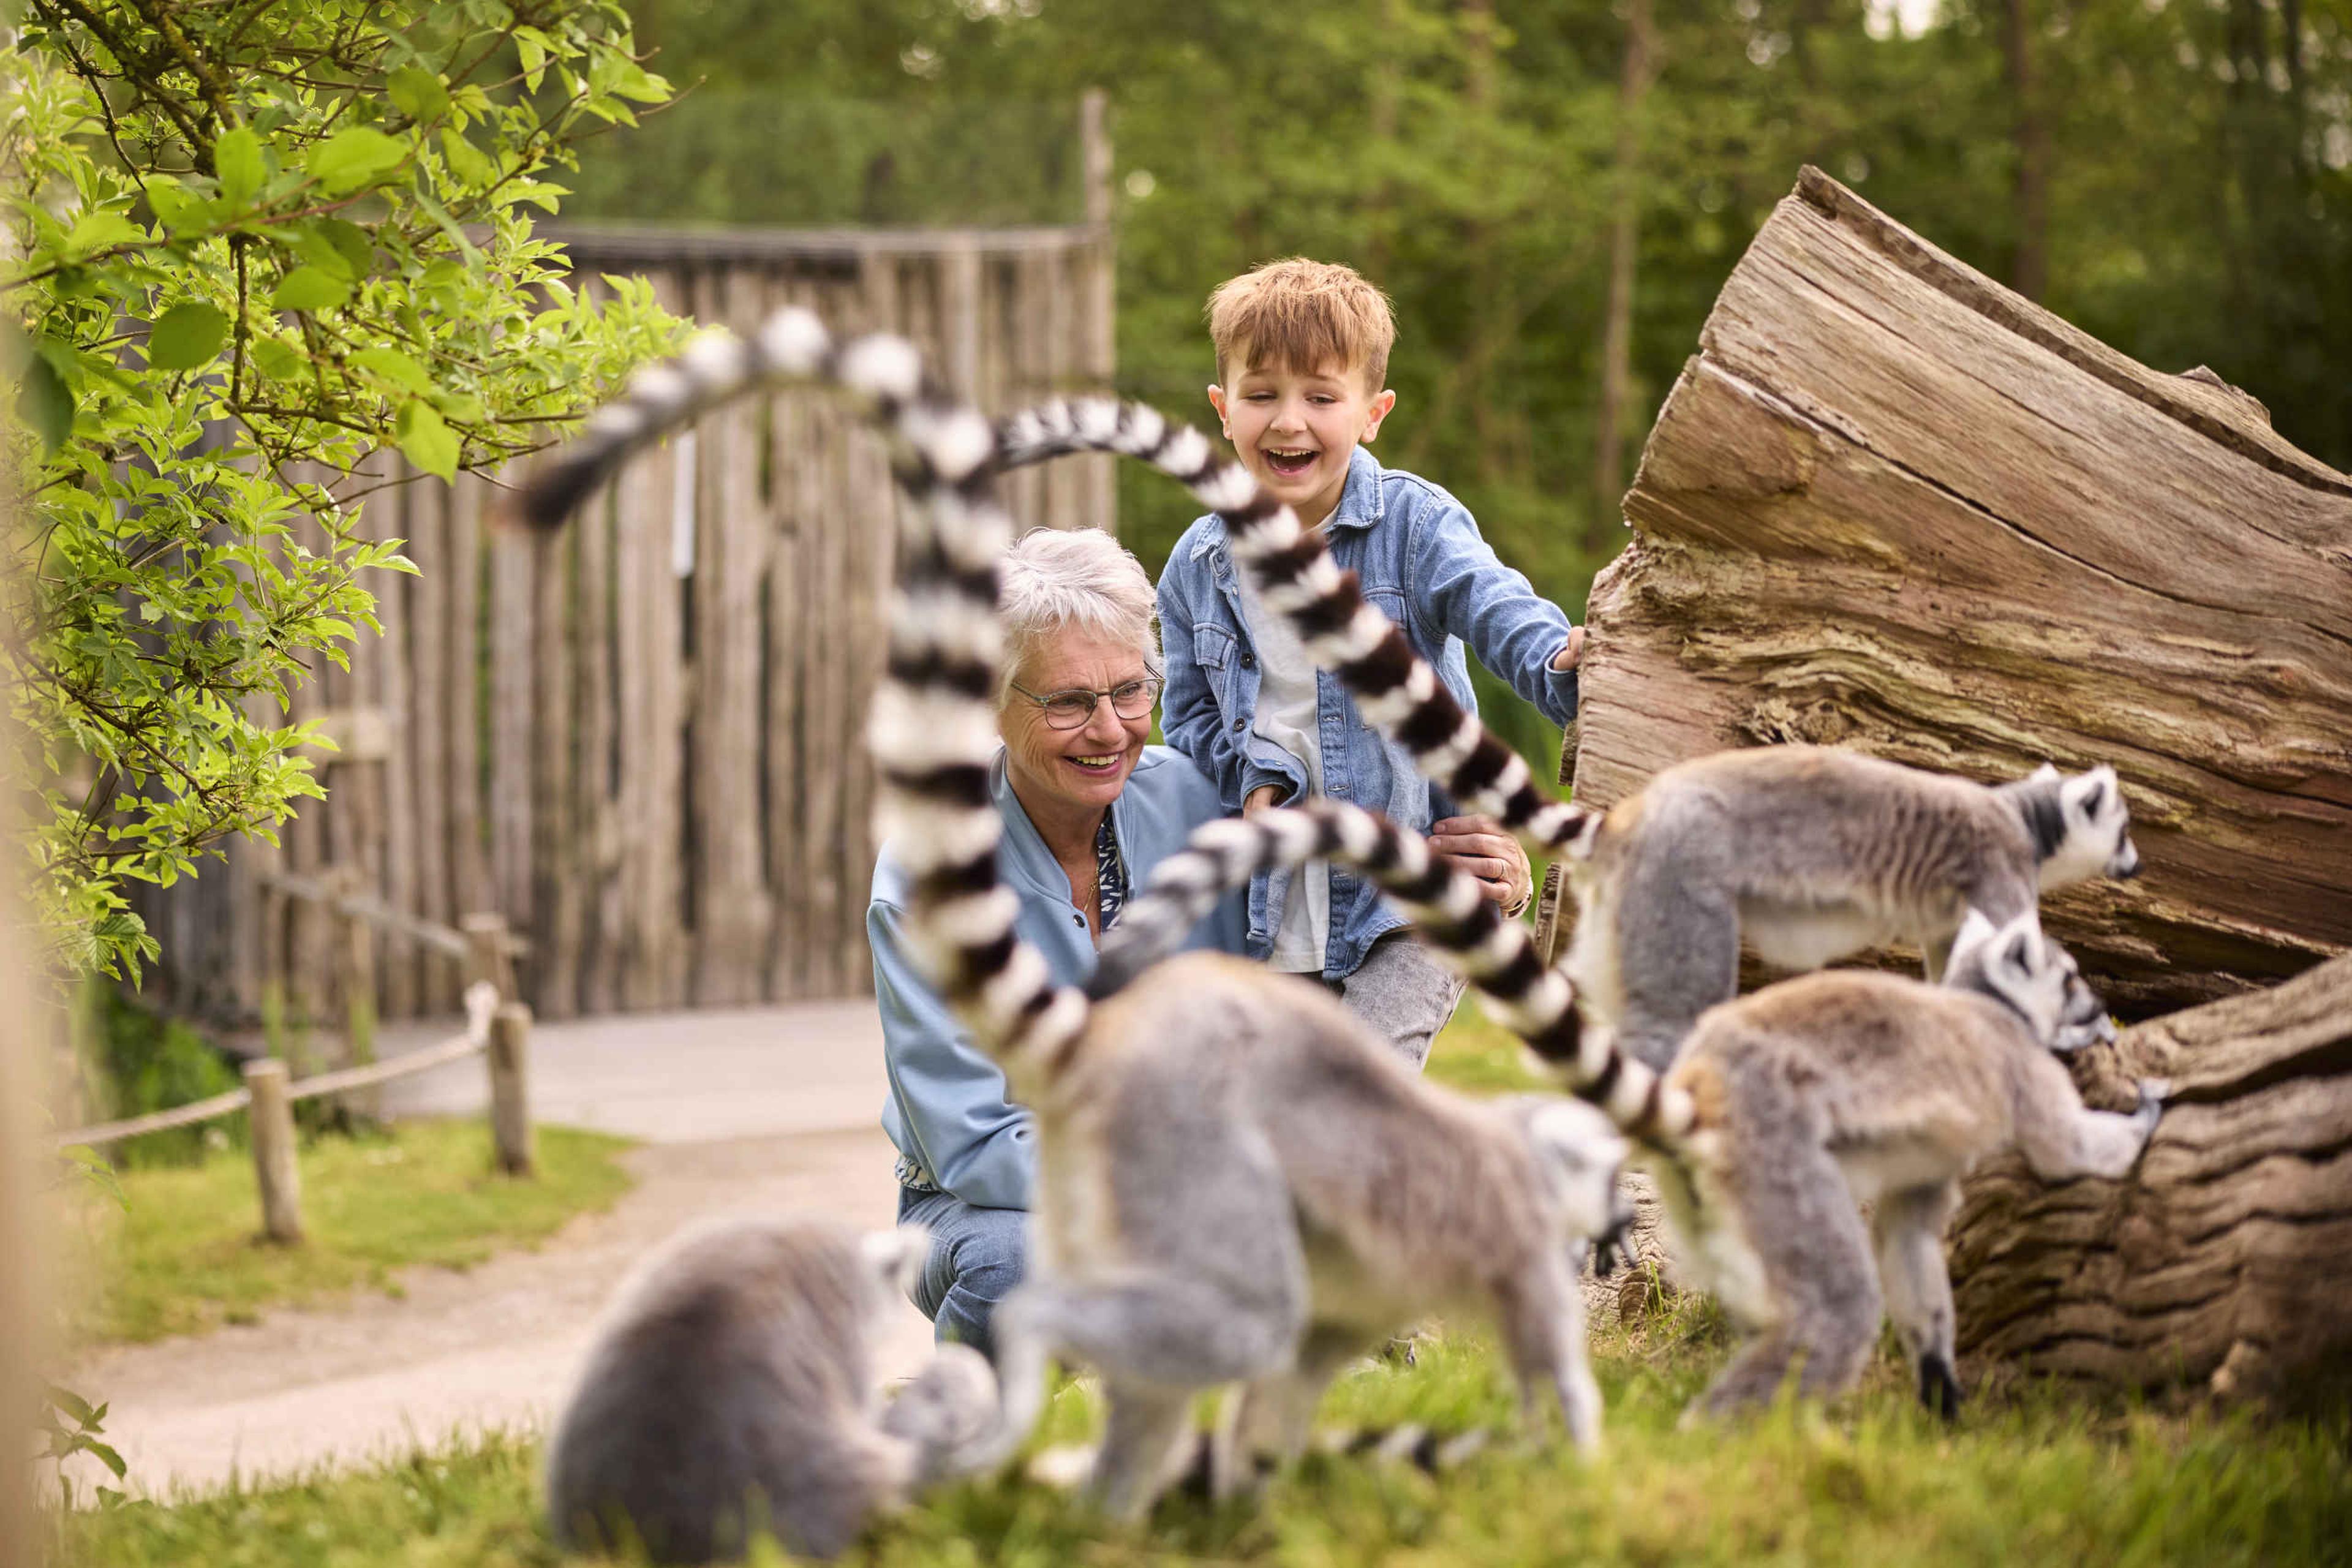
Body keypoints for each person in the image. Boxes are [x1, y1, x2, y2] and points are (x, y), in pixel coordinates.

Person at [1157, 256, 1572, 1069]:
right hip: (1274, 910)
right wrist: (1253, 777)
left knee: (1363, 1089)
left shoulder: (1415, 527)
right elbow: (1188, 718)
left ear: (1372, 412)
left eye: (1321, 396)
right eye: (1262, 393)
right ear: (1222, 409)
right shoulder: (1196, 565)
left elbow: (1497, 609)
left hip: (1411, 900)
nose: (1288, 423)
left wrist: (1562, 662)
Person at [869, 527, 1248, 1362]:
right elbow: (971, 1142)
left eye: (1129, 691)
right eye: (1070, 702)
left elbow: (1336, 902)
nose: (1110, 729)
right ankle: (980, 1424)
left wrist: (1486, 863)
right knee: (1019, 1268)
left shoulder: (1197, 801)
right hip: (988, 1203)